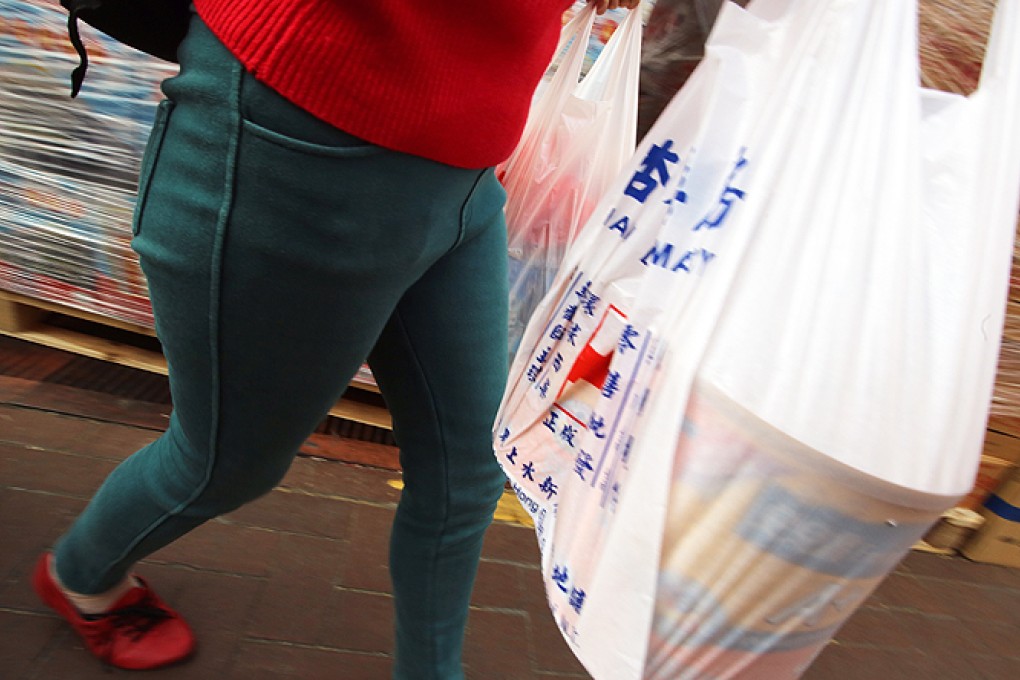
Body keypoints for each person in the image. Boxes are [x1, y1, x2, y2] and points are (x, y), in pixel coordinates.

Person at [32, 0, 641, 676]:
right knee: (223, 465)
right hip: (302, 135)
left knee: (467, 468)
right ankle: (81, 575)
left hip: (467, 164)